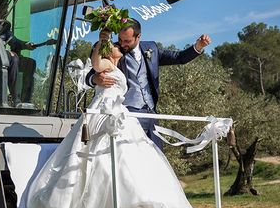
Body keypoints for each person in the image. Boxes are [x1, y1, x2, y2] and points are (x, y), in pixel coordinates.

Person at [25, 40, 195, 208]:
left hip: (122, 114)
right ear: (107, 51)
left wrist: (196, 48)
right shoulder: (105, 64)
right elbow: (95, 67)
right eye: (115, 44)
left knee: (130, 161)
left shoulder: (128, 60)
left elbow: (177, 58)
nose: (120, 46)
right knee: (99, 160)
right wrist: (99, 53)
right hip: (104, 113)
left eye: (122, 42)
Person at [85, 19, 211, 148]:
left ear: (138, 36)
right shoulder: (114, 51)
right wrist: (95, 79)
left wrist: (198, 46)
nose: (122, 44)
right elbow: (90, 74)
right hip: (127, 114)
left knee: (156, 152)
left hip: (151, 112)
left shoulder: (152, 48)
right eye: (120, 39)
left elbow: (178, 57)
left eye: (127, 41)